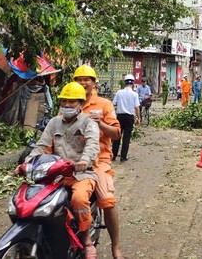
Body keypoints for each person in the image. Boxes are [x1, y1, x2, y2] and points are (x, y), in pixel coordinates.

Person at [17, 82, 100, 258]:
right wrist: (27, 163)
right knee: (36, 200)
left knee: (78, 199)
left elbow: (93, 144)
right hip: (55, 174)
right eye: (64, 102)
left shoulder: (88, 123)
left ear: (81, 103)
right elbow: (41, 146)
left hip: (81, 174)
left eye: (72, 102)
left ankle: (87, 241)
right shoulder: (53, 123)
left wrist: (84, 160)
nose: (67, 105)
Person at [72, 65, 125, 259]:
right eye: (79, 79)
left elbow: (117, 134)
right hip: (73, 159)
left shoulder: (103, 104)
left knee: (107, 200)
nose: (83, 82)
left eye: (87, 79)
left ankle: (116, 247)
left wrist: (99, 123)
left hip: (99, 160)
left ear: (94, 83)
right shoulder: (69, 103)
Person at [112, 74, 140, 161]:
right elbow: (136, 107)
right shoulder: (134, 94)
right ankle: (123, 157)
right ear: (133, 83)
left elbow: (114, 104)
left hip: (120, 116)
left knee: (117, 136)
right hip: (129, 117)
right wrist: (138, 118)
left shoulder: (119, 92)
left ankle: (114, 155)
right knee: (126, 137)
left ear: (125, 83)